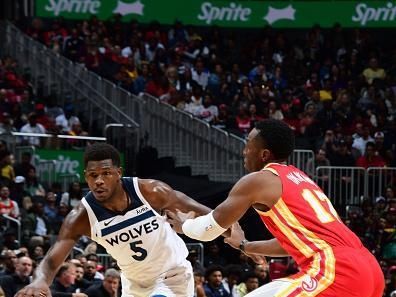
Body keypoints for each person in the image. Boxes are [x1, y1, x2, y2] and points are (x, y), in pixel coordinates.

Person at [167, 119, 385, 296]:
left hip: (336, 270)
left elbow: (209, 228)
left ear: (264, 154)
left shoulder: (259, 180)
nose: (244, 151)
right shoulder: (300, 178)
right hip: (369, 270)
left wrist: (185, 225)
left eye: (248, 145)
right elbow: (291, 243)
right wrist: (246, 246)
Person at [15, 142, 215, 297]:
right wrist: (39, 280)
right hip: (133, 284)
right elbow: (51, 261)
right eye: (93, 175)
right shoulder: (81, 217)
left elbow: (201, 212)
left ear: (119, 173)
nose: (99, 180)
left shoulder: (150, 191)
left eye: (106, 173)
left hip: (172, 276)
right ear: (86, 177)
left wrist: (235, 235)